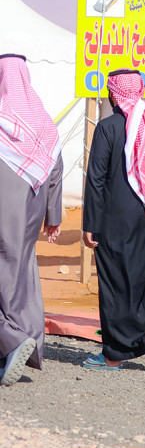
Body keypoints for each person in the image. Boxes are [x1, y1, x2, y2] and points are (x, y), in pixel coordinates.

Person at [81, 69, 145, 370]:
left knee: (115, 284)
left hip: (113, 221)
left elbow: (96, 179)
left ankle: (113, 355)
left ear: (113, 93)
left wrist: (89, 224)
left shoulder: (107, 127)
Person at [0, 54, 63, 386]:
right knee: (22, 277)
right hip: (31, 214)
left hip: (3, 213)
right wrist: (53, 215)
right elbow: (56, 168)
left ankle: (12, 341)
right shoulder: (42, 120)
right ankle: (26, 341)